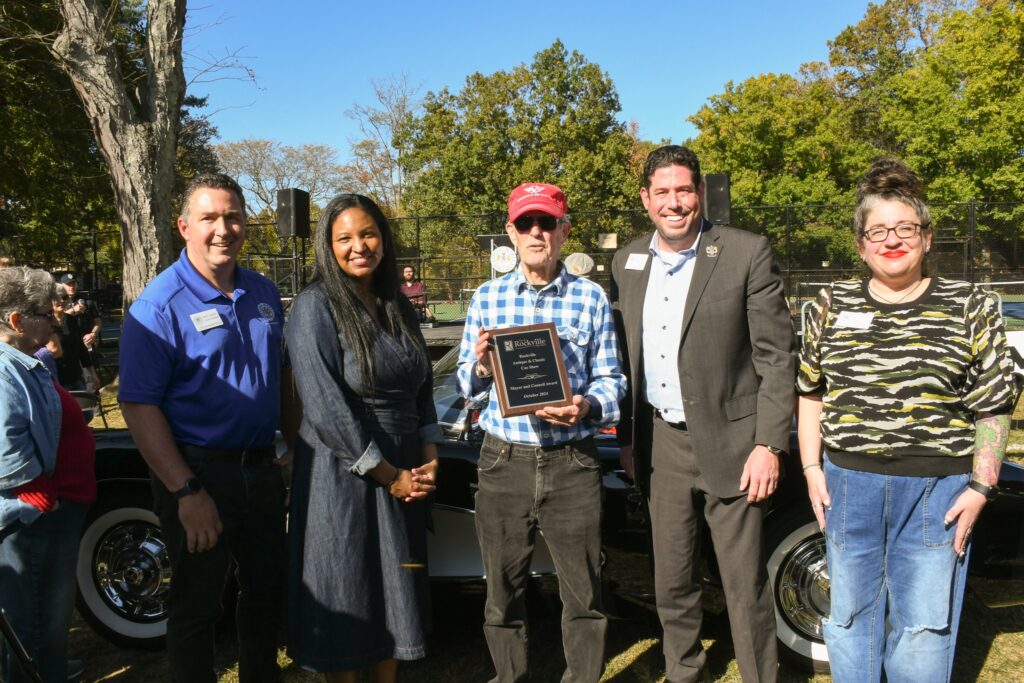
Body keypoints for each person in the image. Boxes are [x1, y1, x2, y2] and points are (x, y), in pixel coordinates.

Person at [796, 158, 1020, 683]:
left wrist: (982, 485)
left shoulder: (971, 304)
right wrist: (811, 470)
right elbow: (810, 393)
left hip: (937, 492)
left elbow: (994, 403)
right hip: (848, 486)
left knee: (924, 626)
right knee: (849, 620)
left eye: (904, 228)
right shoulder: (830, 305)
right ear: (860, 244)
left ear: (927, 236)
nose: (891, 240)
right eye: (877, 231)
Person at [610, 145, 796, 683]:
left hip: (735, 445)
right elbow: (625, 358)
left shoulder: (745, 252)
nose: (674, 203)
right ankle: (684, 672)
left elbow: (776, 357)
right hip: (659, 443)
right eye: (662, 192)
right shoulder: (626, 262)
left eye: (684, 190)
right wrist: (627, 438)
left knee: (743, 586)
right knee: (672, 582)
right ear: (646, 199)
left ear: (700, 193)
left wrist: (768, 444)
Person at [118, 173, 292, 683]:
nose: (224, 229)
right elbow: (138, 405)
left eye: (233, 217)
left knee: (264, 592)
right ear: (184, 226)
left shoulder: (263, 291)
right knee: (197, 604)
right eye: (210, 218)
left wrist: (295, 449)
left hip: (261, 470)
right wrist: (186, 491)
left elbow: (282, 376)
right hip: (197, 474)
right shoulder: (158, 306)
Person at [457, 182, 626, 682]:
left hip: (571, 461)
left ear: (563, 230)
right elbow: (468, 383)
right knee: (502, 592)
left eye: (547, 222)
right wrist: (484, 370)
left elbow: (613, 379)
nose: (537, 232)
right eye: (526, 223)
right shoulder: (486, 299)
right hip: (502, 460)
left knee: (585, 594)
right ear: (510, 232)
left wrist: (587, 406)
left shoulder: (590, 298)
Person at [284, 193, 440, 682]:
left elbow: (422, 383)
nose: (359, 246)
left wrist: (429, 455)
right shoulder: (314, 307)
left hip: (405, 468)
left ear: (384, 238)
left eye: (368, 234)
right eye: (344, 238)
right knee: (348, 592)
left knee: (395, 595)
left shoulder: (397, 303)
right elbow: (327, 406)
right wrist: (387, 473)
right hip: (344, 474)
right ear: (327, 247)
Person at [1, 265, 96, 683]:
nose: (56, 319)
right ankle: (37, 673)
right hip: (34, 516)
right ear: (16, 320)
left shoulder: (25, 362)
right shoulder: (5, 370)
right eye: (46, 312)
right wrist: (35, 488)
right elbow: (5, 440)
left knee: (48, 610)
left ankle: (50, 667)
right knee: (34, 612)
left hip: (52, 509)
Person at [59, 273, 101, 350]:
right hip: (66, 344)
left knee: (90, 361)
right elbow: (57, 320)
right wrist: (73, 310)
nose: (72, 286)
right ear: (62, 285)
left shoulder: (87, 302)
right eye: (68, 284)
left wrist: (93, 334)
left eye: (74, 283)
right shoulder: (58, 303)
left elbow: (98, 322)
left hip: (86, 342)